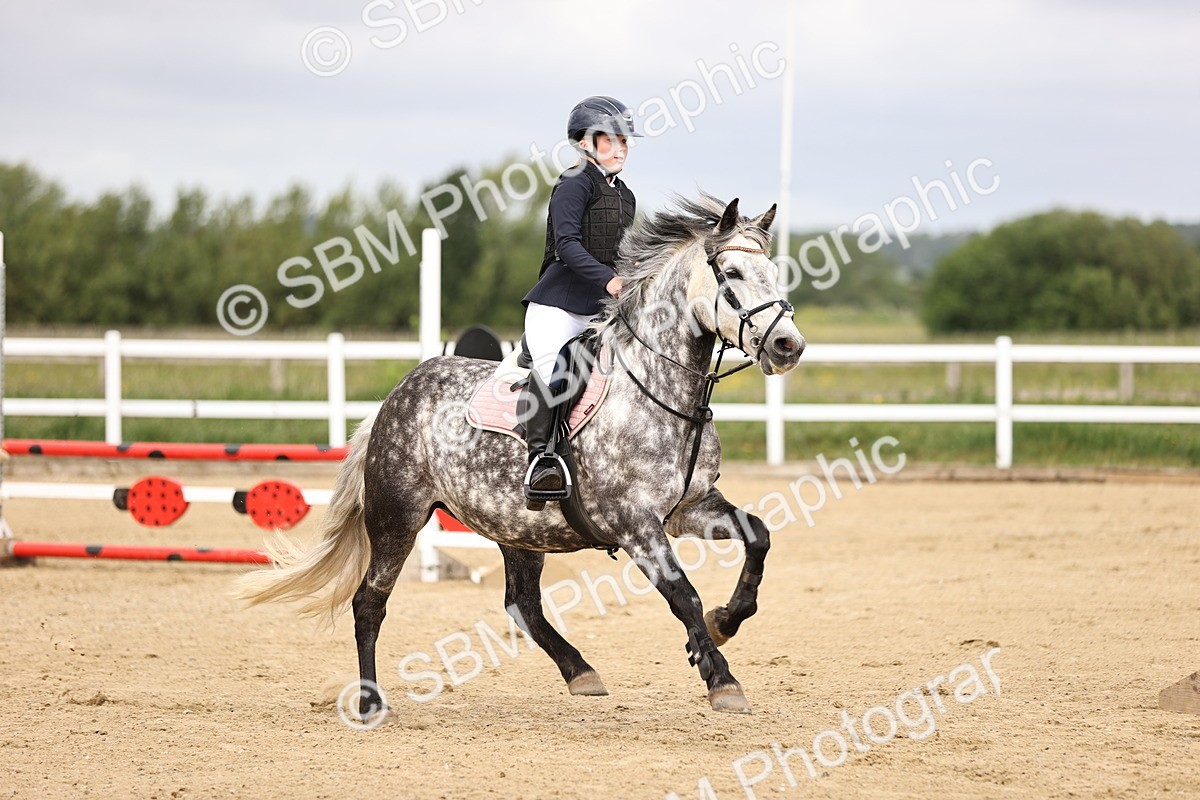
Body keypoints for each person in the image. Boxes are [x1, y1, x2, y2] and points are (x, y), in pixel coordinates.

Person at [519, 95, 641, 507]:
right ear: (585, 143)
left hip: (600, 310)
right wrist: (609, 280)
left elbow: (623, 256)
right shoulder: (574, 183)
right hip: (558, 306)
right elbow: (567, 245)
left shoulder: (626, 196)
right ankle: (542, 460)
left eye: (625, 140)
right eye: (612, 140)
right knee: (556, 371)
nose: (622, 147)